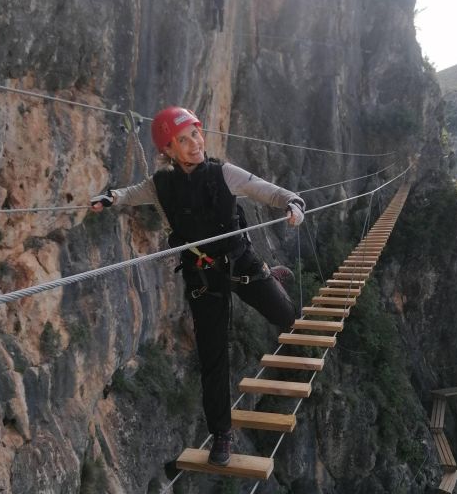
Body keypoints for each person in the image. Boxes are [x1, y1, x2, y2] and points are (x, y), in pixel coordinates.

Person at [91, 107, 305, 466]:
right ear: (168, 150)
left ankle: (272, 277)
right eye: (183, 139)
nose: (195, 144)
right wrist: (109, 198)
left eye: (196, 134)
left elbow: (269, 192)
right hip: (204, 279)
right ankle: (222, 434)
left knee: (286, 317)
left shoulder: (224, 174)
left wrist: (294, 203)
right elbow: (127, 194)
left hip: (241, 265)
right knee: (212, 358)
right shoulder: (160, 185)